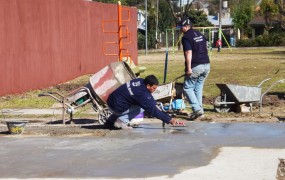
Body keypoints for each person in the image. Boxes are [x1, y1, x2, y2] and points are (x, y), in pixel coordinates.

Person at [104, 75, 179, 129]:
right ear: (148, 86)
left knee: (135, 102)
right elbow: (153, 110)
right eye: (153, 88)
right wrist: (170, 120)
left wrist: (153, 103)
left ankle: (110, 121)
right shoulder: (142, 94)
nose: (154, 90)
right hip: (115, 107)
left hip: (111, 101)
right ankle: (121, 121)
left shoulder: (139, 80)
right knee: (142, 108)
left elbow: (149, 100)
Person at [177, 17, 210, 120]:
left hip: (196, 65)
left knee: (187, 88)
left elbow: (188, 52)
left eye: (181, 27)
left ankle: (197, 110)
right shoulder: (200, 34)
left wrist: (188, 68)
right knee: (198, 88)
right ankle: (200, 111)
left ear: (186, 26)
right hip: (206, 65)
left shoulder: (186, 37)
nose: (180, 29)